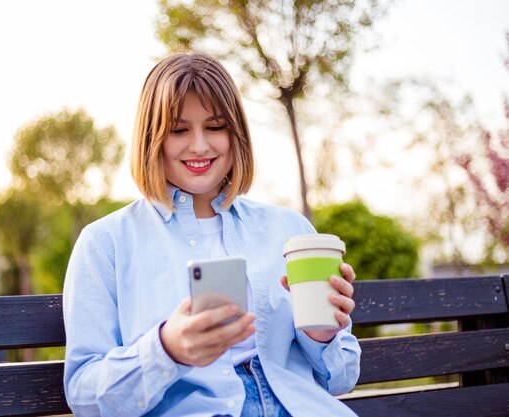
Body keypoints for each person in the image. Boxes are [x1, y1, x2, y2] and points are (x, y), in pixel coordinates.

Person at [62, 52, 361, 417]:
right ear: (150, 138)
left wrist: (322, 336)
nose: (200, 146)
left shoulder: (290, 231)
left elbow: (342, 379)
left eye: (216, 126)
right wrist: (165, 349)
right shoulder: (105, 244)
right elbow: (83, 395)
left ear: (236, 135)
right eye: (179, 129)